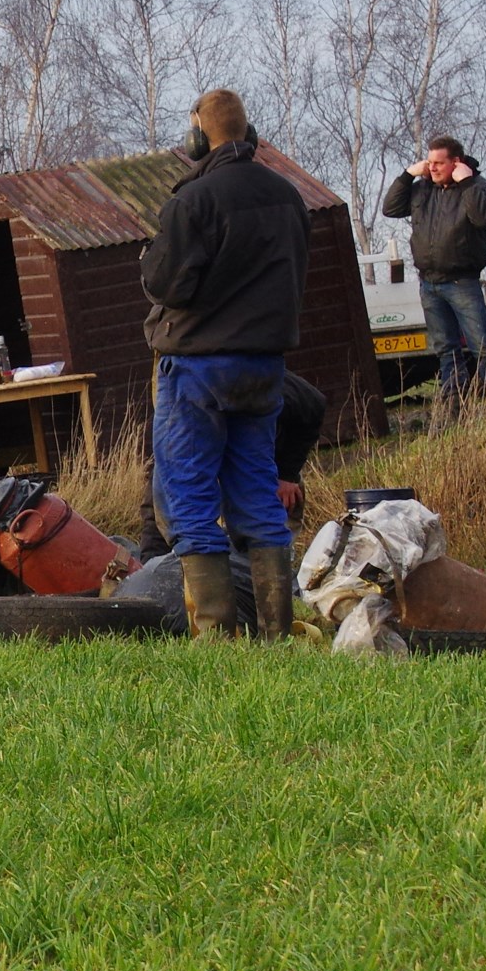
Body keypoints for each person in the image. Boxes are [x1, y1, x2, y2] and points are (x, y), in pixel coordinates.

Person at [140, 88, 309, 641]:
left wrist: (152, 258)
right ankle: (276, 636)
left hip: (198, 368)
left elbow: (168, 285)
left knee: (188, 501)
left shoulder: (193, 201)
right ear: (249, 134)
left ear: (196, 138)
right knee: (258, 497)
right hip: (264, 368)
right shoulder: (289, 198)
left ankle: (217, 641)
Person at [381, 135, 486, 400]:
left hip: (462, 283)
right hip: (429, 283)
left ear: (456, 162)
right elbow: (390, 209)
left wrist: (467, 182)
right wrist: (407, 175)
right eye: (430, 162)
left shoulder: (477, 187)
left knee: (482, 346)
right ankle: (453, 402)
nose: (433, 168)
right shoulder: (422, 189)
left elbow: (484, 216)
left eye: (439, 163)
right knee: (445, 349)